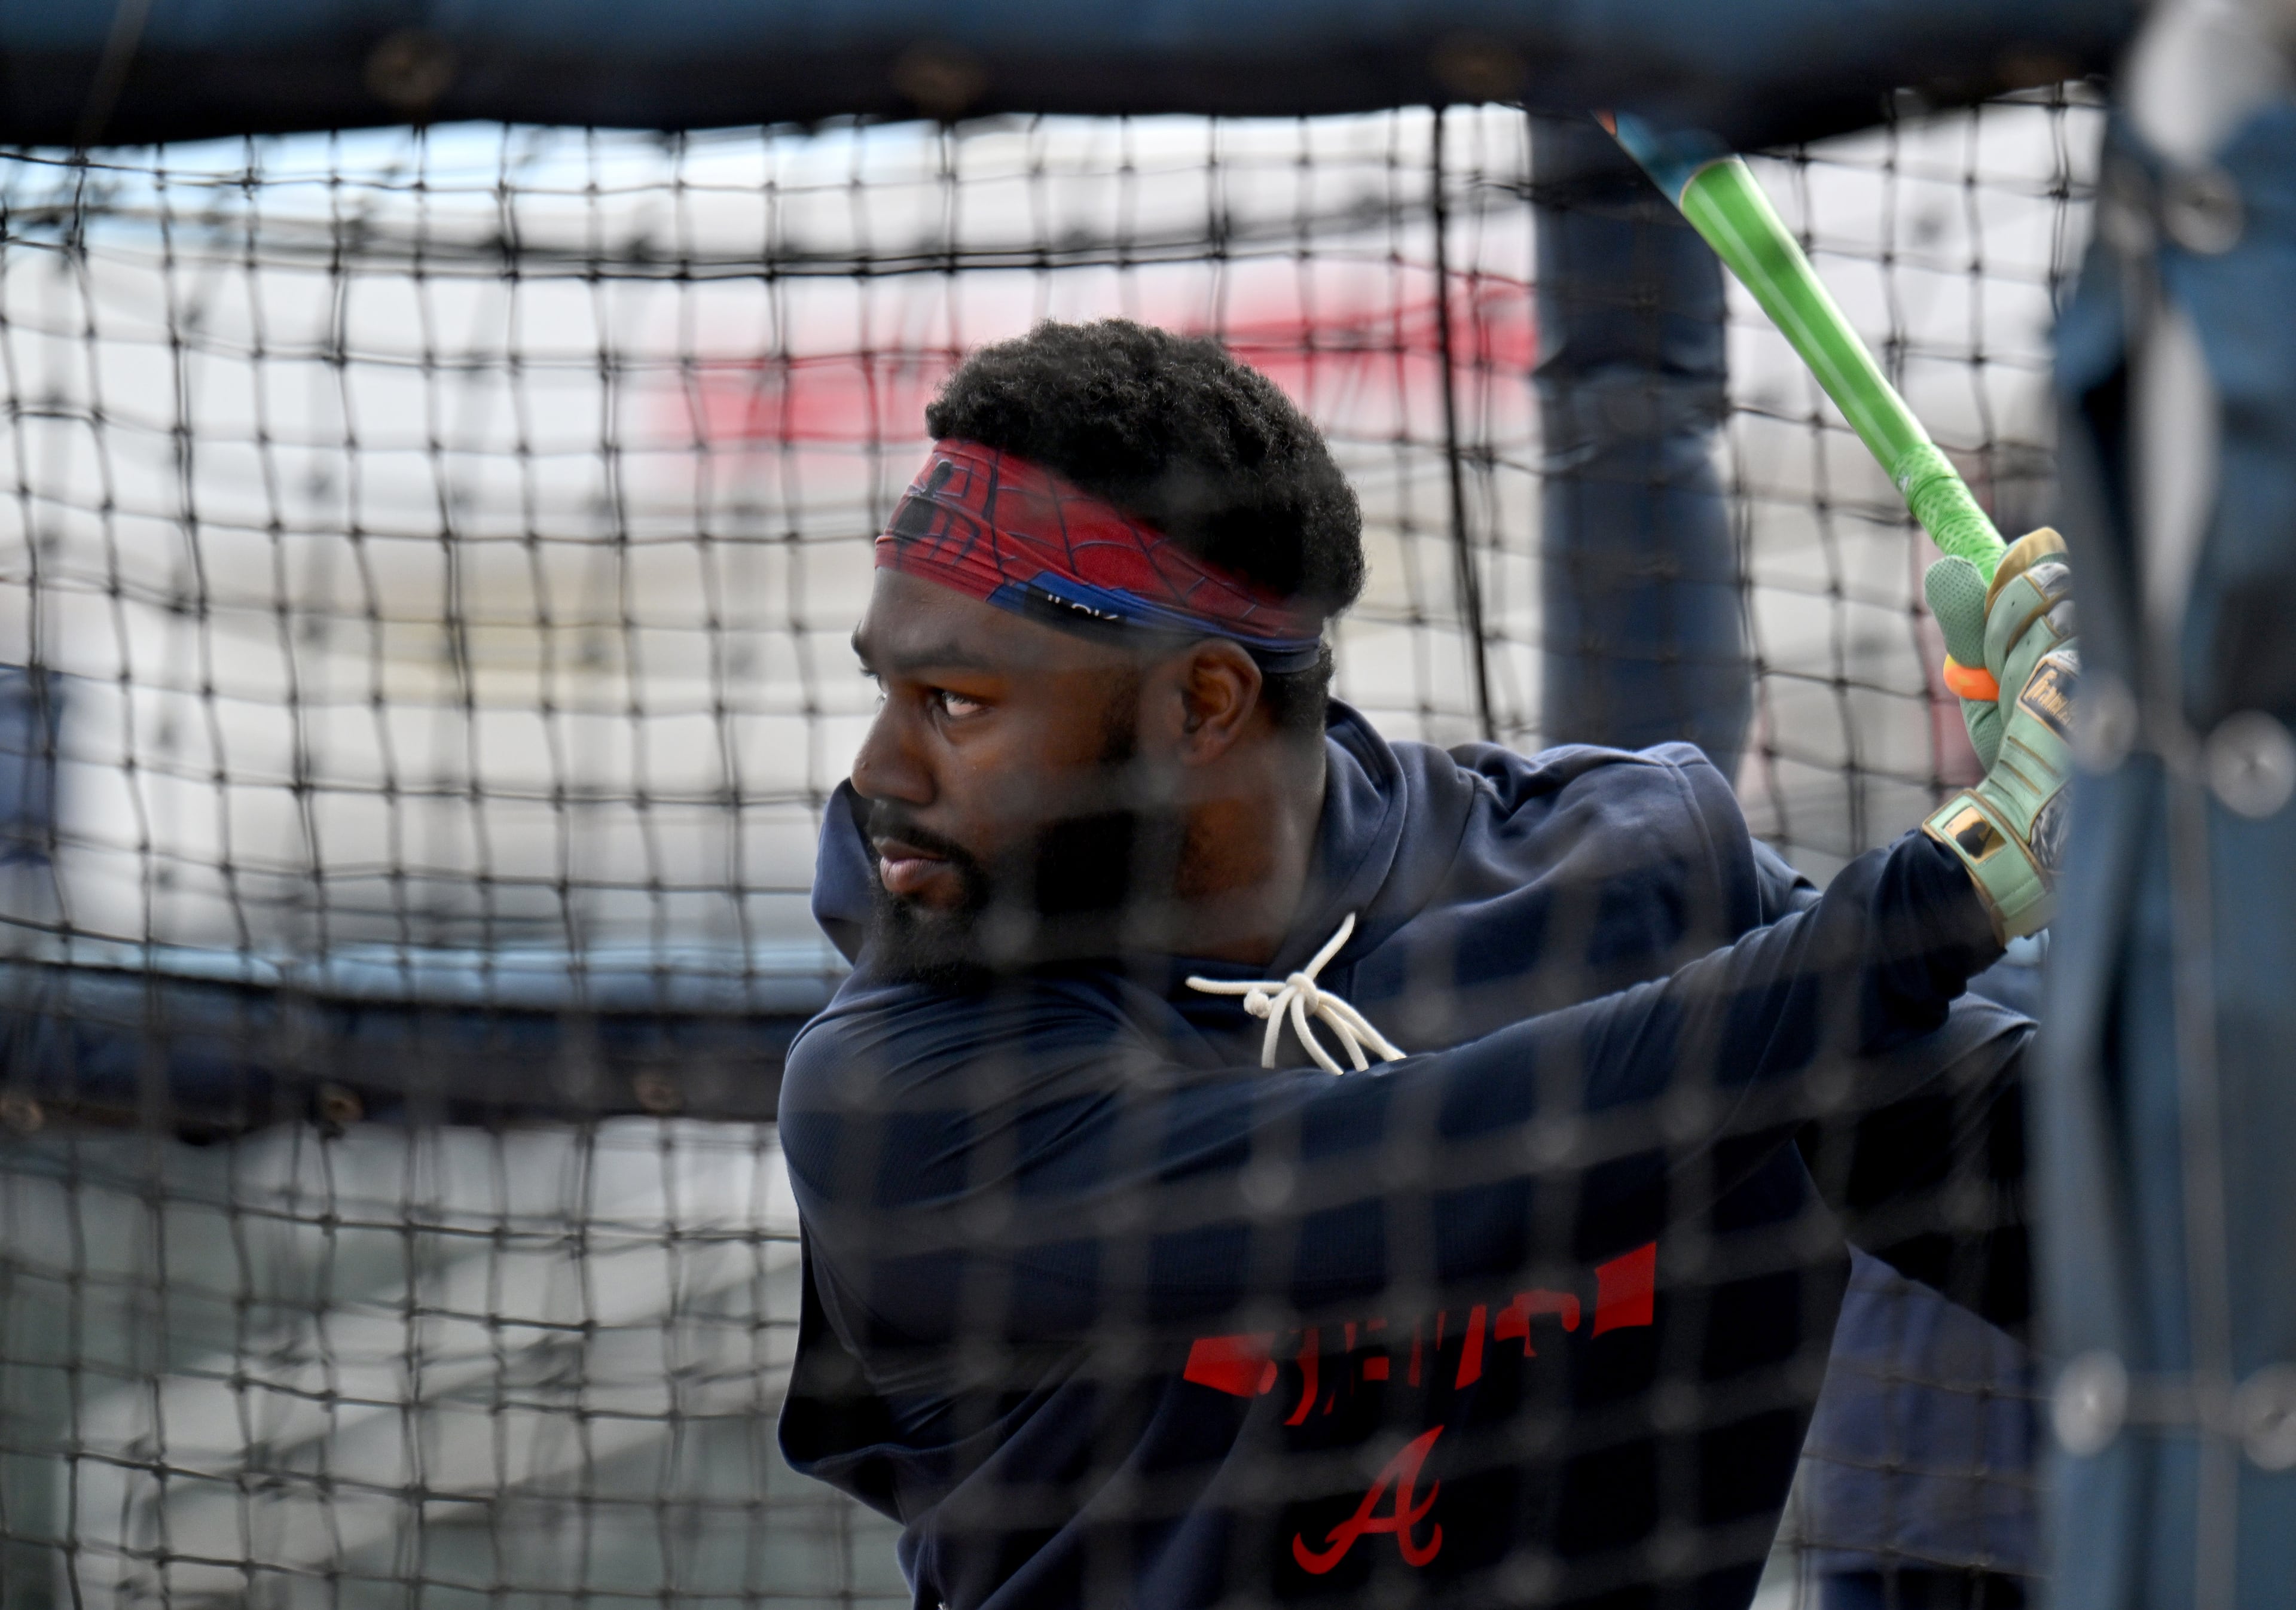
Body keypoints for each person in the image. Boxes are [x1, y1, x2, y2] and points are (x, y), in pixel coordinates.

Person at [776, 319, 2074, 1610]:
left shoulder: (1637, 880)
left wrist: (2145, 811)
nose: (881, 773)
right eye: (887, 692)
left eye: (956, 703)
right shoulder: (898, 1085)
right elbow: (1435, 1168)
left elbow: (2095, 1219)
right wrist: (1957, 882)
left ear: (1202, 705)